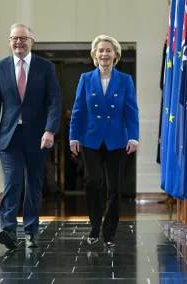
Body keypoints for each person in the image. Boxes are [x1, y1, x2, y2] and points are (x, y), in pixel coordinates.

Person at [0, 24, 62, 250]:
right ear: (9, 41)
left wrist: (50, 130)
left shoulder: (45, 67)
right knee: (12, 183)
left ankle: (31, 232)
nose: (18, 42)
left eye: (23, 38)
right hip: (9, 137)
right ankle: (8, 230)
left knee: (33, 185)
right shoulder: (0, 68)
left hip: (37, 137)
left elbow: (54, 101)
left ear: (32, 42)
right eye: (14, 38)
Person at [69, 35, 139, 247]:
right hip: (91, 139)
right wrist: (73, 135)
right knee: (91, 182)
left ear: (115, 55)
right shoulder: (85, 78)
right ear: (94, 54)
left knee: (114, 188)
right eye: (100, 50)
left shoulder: (125, 80)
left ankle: (109, 232)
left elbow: (131, 110)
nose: (104, 54)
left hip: (117, 139)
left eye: (109, 50)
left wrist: (133, 136)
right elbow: (79, 109)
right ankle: (94, 226)